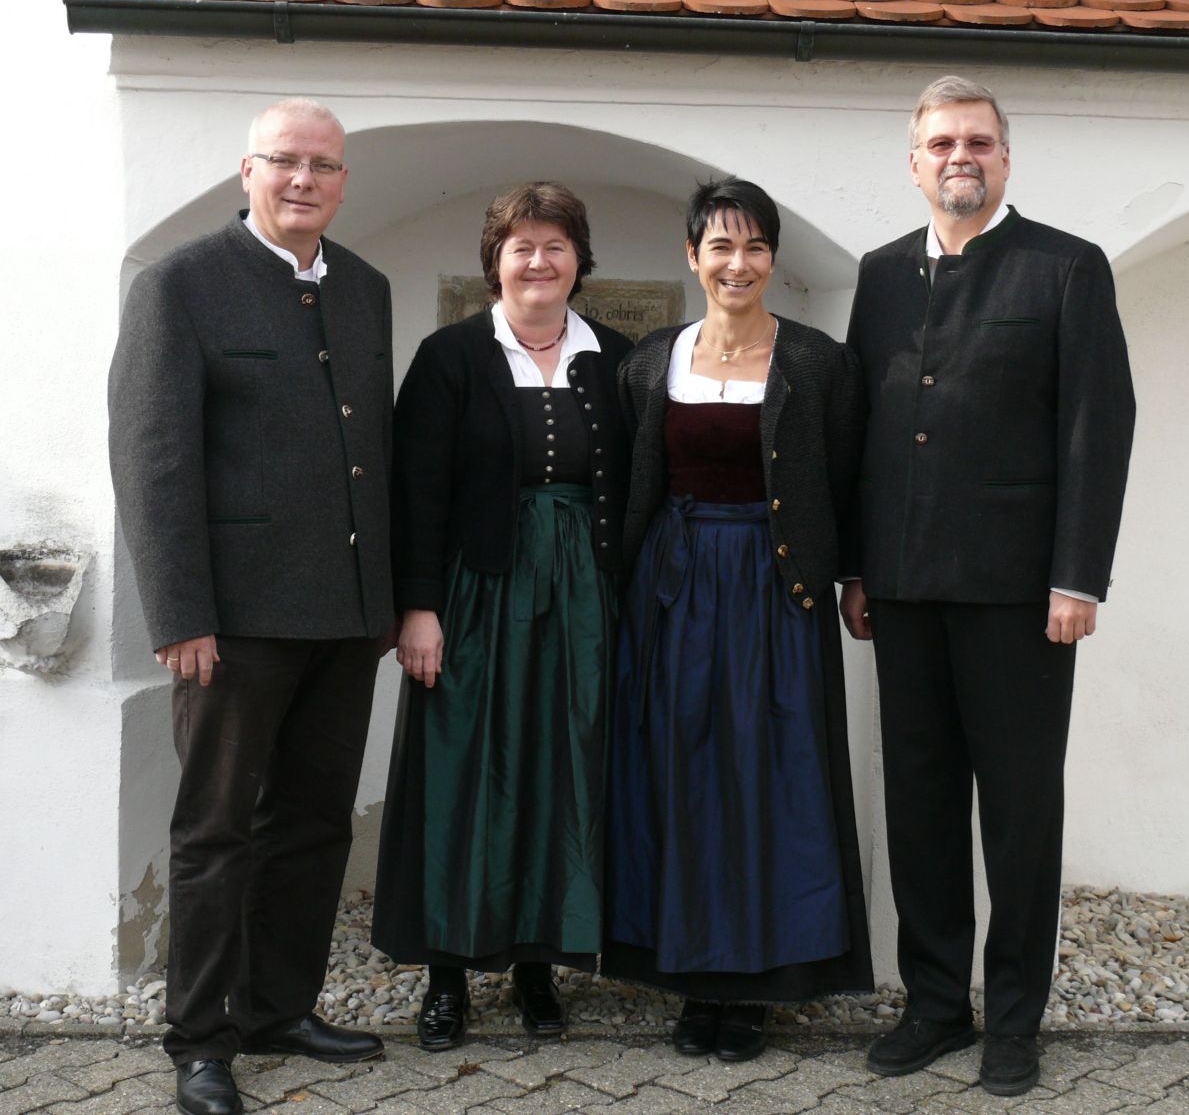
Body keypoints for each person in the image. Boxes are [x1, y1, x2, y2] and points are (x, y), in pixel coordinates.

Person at [843, 76, 1135, 1097]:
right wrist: (855, 566)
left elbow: (1097, 431)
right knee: (918, 805)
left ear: (1005, 159)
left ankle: (1013, 1016)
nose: (957, 155)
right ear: (914, 163)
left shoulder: (1064, 268)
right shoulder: (879, 276)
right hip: (904, 587)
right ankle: (933, 1003)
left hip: (1021, 597)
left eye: (976, 140)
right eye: (939, 142)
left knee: (1017, 813)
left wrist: (1075, 577)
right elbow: (861, 428)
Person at [108, 99, 393, 1115]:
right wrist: (179, 610)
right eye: (285, 162)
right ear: (247, 170)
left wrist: (387, 604)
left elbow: (370, 456)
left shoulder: (365, 287)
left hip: (345, 618)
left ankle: (279, 1008)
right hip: (230, 625)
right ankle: (200, 1039)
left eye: (323, 166)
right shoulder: (180, 285)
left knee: (311, 825)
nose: (304, 180)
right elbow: (153, 460)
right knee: (215, 831)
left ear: (342, 181)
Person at [604, 177, 874, 1063]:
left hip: (774, 586)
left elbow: (849, 479)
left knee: (770, 774)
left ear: (772, 258)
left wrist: (853, 576)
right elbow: (631, 489)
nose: (738, 263)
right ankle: (693, 976)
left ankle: (757, 984)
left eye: (754, 246)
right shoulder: (650, 361)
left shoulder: (818, 363)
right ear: (692, 256)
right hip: (672, 589)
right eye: (720, 246)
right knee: (677, 773)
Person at [372, 181, 633, 1052]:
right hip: (477, 595)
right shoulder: (451, 356)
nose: (538, 261)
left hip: (583, 602)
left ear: (577, 262)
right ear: (495, 262)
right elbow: (416, 493)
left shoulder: (616, 358)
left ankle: (537, 965)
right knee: (463, 775)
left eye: (555, 246)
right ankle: (447, 974)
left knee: (565, 771)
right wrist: (419, 609)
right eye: (520, 246)